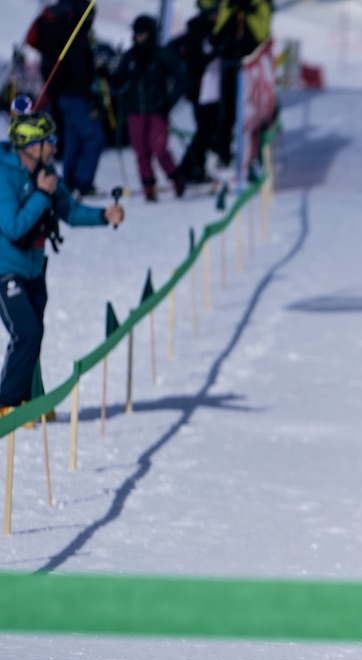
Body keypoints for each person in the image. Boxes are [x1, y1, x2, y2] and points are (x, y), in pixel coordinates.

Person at [0, 103, 125, 416]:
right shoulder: (5, 177)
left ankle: (29, 398)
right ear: (30, 147)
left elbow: (69, 210)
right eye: (48, 141)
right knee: (26, 332)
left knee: (34, 334)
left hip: (34, 269)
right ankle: (7, 402)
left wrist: (103, 215)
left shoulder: (47, 174)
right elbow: (13, 227)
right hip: (6, 271)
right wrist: (42, 195)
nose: (54, 147)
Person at [24, 0, 107, 196]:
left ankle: (70, 181)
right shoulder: (76, 35)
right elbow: (78, 70)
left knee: (73, 138)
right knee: (94, 138)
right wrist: (91, 98)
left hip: (60, 93)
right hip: (75, 95)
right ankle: (83, 183)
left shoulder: (57, 23)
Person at [110, 15, 188, 201]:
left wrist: (169, 102)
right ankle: (149, 188)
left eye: (142, 33)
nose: (138, 37)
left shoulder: (163, 55)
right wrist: (106, 73)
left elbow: (182, 79)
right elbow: (118, 80)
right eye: (136, 33)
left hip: (157, 111)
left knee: (159, 148)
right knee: (141, 151)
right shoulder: (130, 56)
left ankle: (176, 177)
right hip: (134, 110)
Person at [211, 0, 272, 175]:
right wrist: (231, 11)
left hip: (251, 67)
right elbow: (217, 31)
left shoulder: (261, 5)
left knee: (250, 112)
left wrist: (249, 14)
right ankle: (224, 155)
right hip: (229, 63)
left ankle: (252, 156)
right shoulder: (227, 4)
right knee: (226, 112)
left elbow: (262, 34)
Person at [172, 0, 225, 183]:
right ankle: (189, 168)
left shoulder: (210, 31)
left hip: (210, 91)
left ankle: (193, 167)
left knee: (205, 132)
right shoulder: (198, 31)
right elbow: (196, 61)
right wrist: (216, 52)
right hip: (201, 91)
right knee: (204, 133)